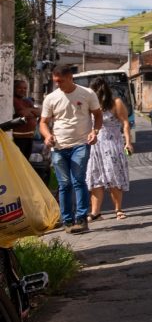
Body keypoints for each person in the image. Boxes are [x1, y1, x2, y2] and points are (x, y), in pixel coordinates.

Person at [39, 64, 102, 234]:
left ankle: (81, 219)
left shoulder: (87, 94)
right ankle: (67, 220)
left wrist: (94, 132)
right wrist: (46, 136)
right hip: (59, 147)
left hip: (80, 144)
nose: (58, 85)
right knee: (64, 184)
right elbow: (43, 122)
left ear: (70, 78)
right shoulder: (51, 98)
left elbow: (98, 115)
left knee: (78, 181)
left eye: (60, 81)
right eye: (55, 82)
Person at [86, 78, 132, 222]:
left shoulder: (115, 103)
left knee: (113, 178)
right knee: (95, 178)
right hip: (95, 146)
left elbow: (125, 123)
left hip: (112, 145)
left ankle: (118, 209)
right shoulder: (90, 105)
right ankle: (95, 212)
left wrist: (128, 142)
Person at [11, 78, 37, 158]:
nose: (23, 90)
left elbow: (38, 112)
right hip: (18, 138)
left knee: (26, 162)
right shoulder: (12, 100)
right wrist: (30, 111)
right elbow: (23, 114)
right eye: (20, 88)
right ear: (14, 88)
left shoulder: (27, 101)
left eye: (25, 88)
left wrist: (28, 111)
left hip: (29, 137)